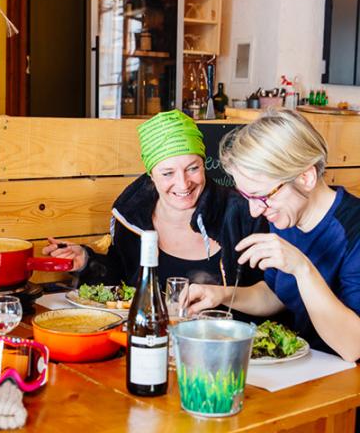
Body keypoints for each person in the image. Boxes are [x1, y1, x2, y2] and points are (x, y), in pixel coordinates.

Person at [43, 110, 267, 319]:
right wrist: (86, 261)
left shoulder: (242, 213)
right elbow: (122, 280)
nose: (183, 183)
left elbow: (273, 294)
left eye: (193, 168)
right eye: (168, 173)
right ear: (151, 174)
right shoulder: (132, 215)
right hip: (151, 340)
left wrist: (224, 296)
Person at [188, 109, 360, 362]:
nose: (255, 209)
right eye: (247, 197)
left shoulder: (353, 230)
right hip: (304, 371)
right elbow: (276, 294)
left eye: (262, 196)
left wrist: (302, 268)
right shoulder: (287, 214)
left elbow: (353, 347)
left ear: (306, 177)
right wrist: (221, 295)